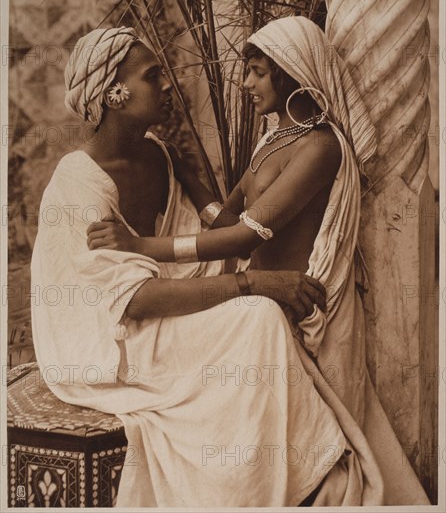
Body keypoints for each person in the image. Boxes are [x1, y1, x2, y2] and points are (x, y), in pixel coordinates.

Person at [86, 17, 430, 505]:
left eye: (256, 72)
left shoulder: (321, 146)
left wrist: (140, 247)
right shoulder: (273, 141)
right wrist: (188, 175)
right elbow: (222, 223)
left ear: (290, 73)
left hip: (296, 309)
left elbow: (244, 235)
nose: (246, 84)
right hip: (255, 295)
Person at [30, 26, 363, 508]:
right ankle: (273, 485)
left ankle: (284, 476)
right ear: (114, 95)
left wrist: (193, 184)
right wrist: (253, 284)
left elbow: (221, 235)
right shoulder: (76, 182)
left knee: (257, 316)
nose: (168, 85)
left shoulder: (162, 156)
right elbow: (135, 299)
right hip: (112, 342)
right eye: (152, 76)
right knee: (258, 315)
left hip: (165, 316)